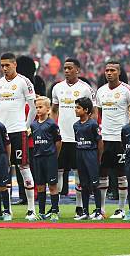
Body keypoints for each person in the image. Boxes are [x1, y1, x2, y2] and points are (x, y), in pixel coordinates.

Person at [0, 53, 37, 221]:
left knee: (23, 168)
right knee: (3, 170)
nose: (4, 68)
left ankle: (31, 209)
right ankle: (6, 211)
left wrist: (26, 126)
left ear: (14, 64)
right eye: (2, 66)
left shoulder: (24, 82)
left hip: (18, 131)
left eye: (7, 65)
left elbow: (33, 108)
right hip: (1, 133)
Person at [51, 58, 96, 218]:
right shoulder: (57, 88)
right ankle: (55, 208)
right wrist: (53, 126)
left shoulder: (86, 89)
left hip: (79, 139)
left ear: (78, 69)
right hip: (62, 138)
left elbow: (93, 112)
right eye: (65, 68)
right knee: (59, 172)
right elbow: (54, 109)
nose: (67, 70)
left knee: (79, 173)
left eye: (70, 68)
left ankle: (79, 207)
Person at [96, 61, 130, 218]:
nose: (109, 73)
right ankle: (102, 209)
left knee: (121, 172)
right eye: (107, 70)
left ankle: (121, 208)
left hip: (121, 138)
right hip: (105, 138)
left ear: (119, 72)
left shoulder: (127, 90)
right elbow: (99, 113)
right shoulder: (100, 91)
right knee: (103, 172)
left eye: (112, 70)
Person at [30, 97, 62, 221]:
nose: (38, 109)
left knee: (52, 186)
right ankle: (41, 212)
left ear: (48, 109)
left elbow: (58, 142)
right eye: (36, 107)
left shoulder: (52, 124)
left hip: (50, 158)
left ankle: (54, 211)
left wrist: (54, 155)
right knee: (40, 186)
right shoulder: (33, 125)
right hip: (38, 159)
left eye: (40, 107)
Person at [73, 97, 104, 220]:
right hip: (79, 153)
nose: (75, 110)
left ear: (86, 110)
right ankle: (85, 211)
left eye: (78, 107)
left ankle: (98, 211)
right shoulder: (75, 125)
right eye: (75, 107)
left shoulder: (92, 124)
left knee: (95, 184)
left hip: (90, 154)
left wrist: (99, 157)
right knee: (84, 184)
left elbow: (99, 141)